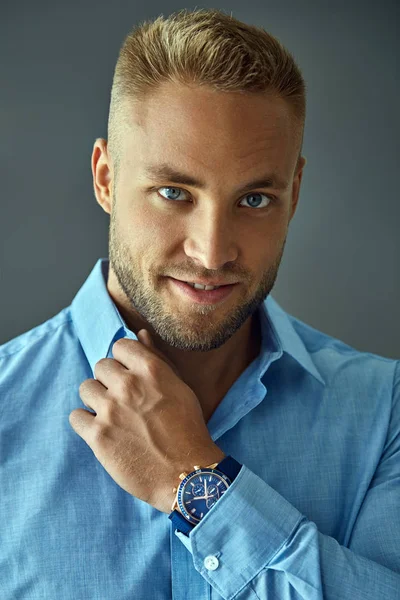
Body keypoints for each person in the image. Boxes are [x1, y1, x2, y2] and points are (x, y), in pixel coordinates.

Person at [1, 7, 399, 600]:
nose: (212, 253)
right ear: (106, 178)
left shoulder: (386, 413)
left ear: (294, 194)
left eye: (255, 199)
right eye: (172, 192)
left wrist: (193, 481)